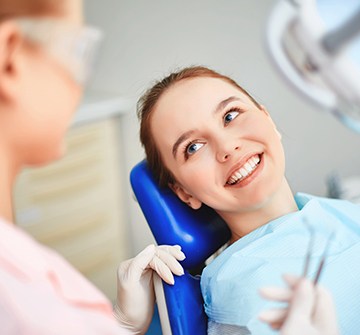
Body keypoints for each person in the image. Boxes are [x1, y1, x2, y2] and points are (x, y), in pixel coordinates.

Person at [0, 0, 185, 334]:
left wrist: (121, 325)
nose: (79, 84)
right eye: (78, 50)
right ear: (10, 57)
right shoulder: (16, 298)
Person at [136, 65, 360, 335]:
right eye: (193, 147)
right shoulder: (246, 299)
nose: (227, 147)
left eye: (230, 115)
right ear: (185, 193)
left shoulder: (334, 212)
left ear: (268, 119)